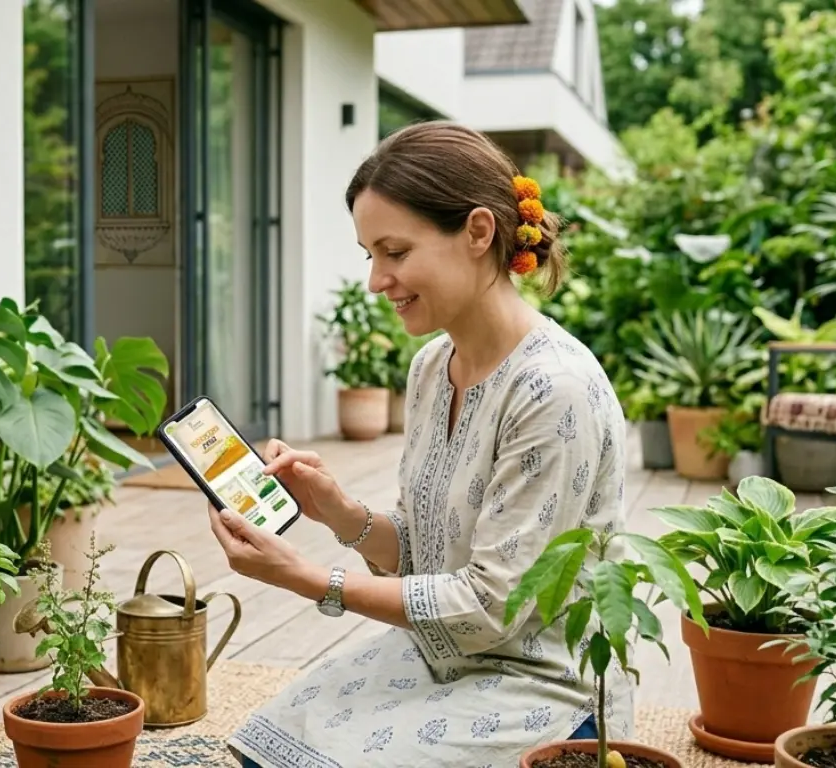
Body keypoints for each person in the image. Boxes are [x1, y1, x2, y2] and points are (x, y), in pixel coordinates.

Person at [204, 121, 631, 768]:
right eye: (368, 254)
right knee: (269, 745)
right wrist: (341, 513)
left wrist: (309, 579)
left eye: (395, 252)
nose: (377, 280)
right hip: (442, 653)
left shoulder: (554, 391)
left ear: (479, 232)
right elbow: (427, 550)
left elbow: (491, 606)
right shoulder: (433, 367)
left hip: (544, 684)